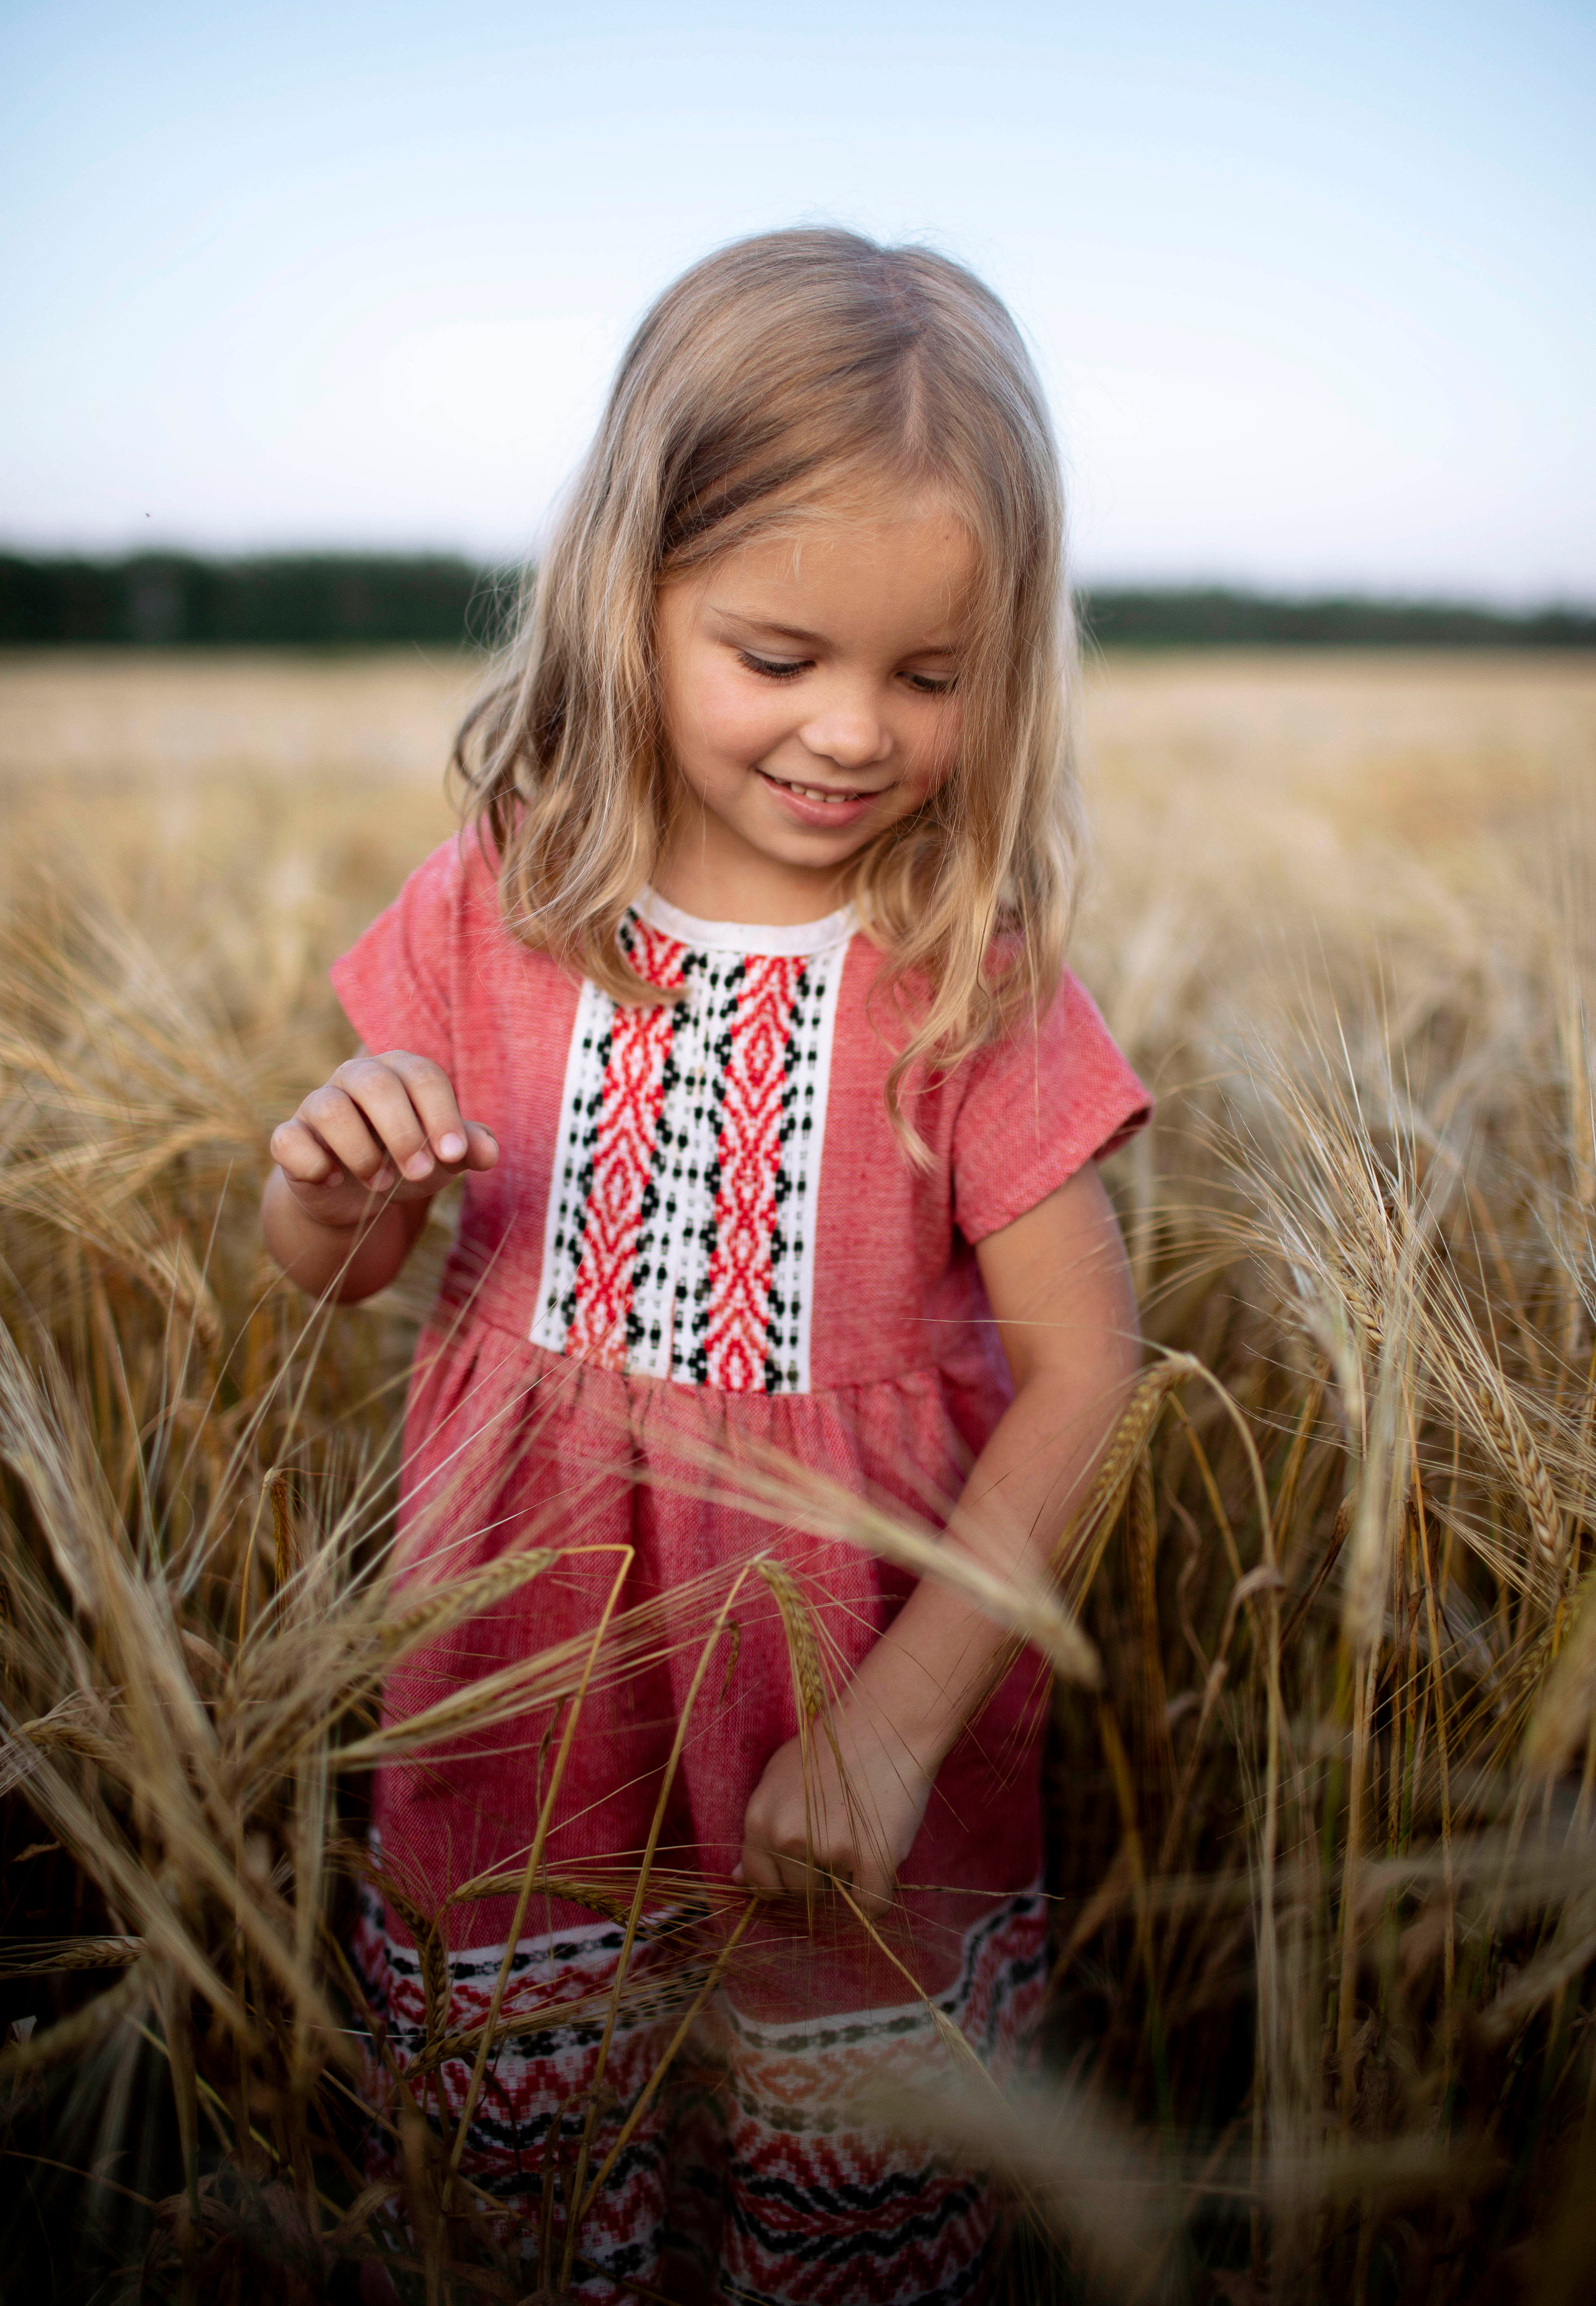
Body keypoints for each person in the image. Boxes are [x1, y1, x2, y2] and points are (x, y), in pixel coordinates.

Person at [262, 228, 1150, 2305]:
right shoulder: (497, 915)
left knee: (839, 2220)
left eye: (931, 680)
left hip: (844, 1711)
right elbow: (338, 1266)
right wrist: (328, 1171)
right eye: (781, 656)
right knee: (528, 2207)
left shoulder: (969, 979)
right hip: (525, 1695)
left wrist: (905, 1724)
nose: (854, 732)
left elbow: (1092, 1367)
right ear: (628, 597)